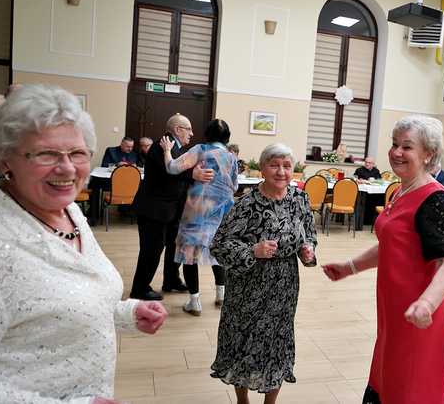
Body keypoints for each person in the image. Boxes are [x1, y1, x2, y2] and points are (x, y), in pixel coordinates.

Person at [0, 84, 167, 403]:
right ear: (6, 159)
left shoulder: (67, 209)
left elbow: (65, 299)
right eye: (46, 153)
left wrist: (127, 312)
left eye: (77, 153)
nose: (67, 168)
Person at [323, 115, 444, 404]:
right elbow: (392, 245)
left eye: (407, 147)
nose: (397, 152)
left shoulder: (434, 199)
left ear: (428, 154)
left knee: (409, 389)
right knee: (387, 382)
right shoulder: (401, 190)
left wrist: (427, 303)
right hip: (393, 313)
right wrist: (349, 267)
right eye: (395, 144)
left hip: (418, 316)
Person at [209, 143, 317, 404]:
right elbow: (219, 245)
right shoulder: (246, 203)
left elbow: (310, 233)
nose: (281, 171)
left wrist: (308, 249)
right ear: (262, 169)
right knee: (241, 342)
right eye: (274, 165)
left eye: (287, 166)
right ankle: (242, 400)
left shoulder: (300, 199)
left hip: (284, 286)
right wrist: (252, 250)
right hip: (248, 288)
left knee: (277, 344)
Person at [130, 114, 213, 301]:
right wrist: (194, 175)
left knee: (173, 246)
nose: (192, 134)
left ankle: (171, 280)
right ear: (178, 129)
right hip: (154, 210)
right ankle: (140, 288)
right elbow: (171, 172)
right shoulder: (163, 145)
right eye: (188, 129)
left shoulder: (174, 147)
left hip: (170, 210)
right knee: (151, 250)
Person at [161, 119, 238, 312]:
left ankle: (194, 302)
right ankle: (221, 295)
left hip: (197, 211)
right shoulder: (231, 157)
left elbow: (172, 168)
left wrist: (167, 151)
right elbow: (235, 186)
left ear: (207, 134)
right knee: (218, 253)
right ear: (227, 137)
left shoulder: (200, 150)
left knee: (190, 254)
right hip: (222, 212)